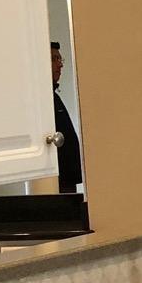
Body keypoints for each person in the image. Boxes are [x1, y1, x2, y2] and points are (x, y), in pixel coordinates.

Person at [50, 42, 83, 191]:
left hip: (68, 180)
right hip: (56, 183)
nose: (60, 65)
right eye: (54, 59)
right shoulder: (42, 101)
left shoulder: (54, 97)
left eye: (60, 60)